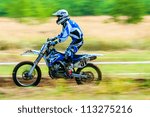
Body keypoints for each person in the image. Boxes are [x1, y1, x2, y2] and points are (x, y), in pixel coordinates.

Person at [47, 9, 84, 77]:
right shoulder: (65, 24)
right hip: (75, 40)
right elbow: (61, 34)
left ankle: (69, 71)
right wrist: (53, 39)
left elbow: (63, 38)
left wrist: (54, 42)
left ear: (62, 16)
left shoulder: (68, 24)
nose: (57, 18)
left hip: (78, 41)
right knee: (66, 53)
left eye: (58, 17)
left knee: (68, 53)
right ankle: (63, 68)